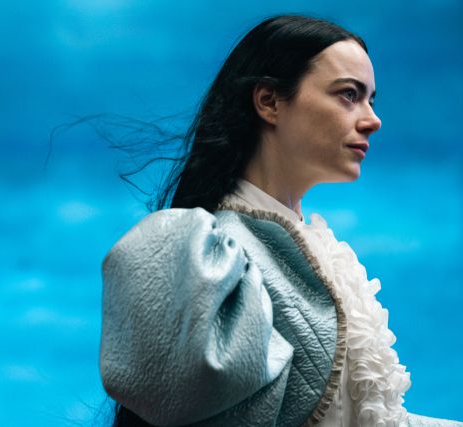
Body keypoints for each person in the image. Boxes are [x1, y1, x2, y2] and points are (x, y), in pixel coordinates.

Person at [99, 15, 462, 427]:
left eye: (370, 101)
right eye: (348, 95)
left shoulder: (318, 250)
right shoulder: (212, 257)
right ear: (269, 102)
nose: (372, 120)